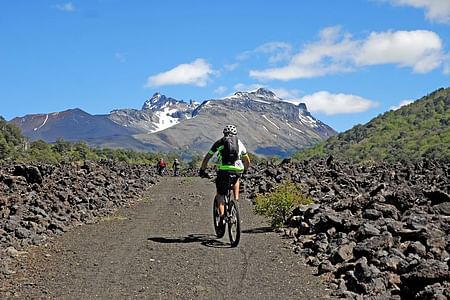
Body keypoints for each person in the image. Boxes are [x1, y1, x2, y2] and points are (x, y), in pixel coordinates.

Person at [199, 124, 250, 224]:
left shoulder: (219, 142)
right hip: (236, 170)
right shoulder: (239, 143)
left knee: (220, 194)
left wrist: (202, 170)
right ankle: (236, 201)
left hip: (223, 170)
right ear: (235, 133)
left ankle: (222, 217)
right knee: (236, 178)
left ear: (224, 133)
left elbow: (207, 157)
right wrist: (245, 171)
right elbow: (247, 161)